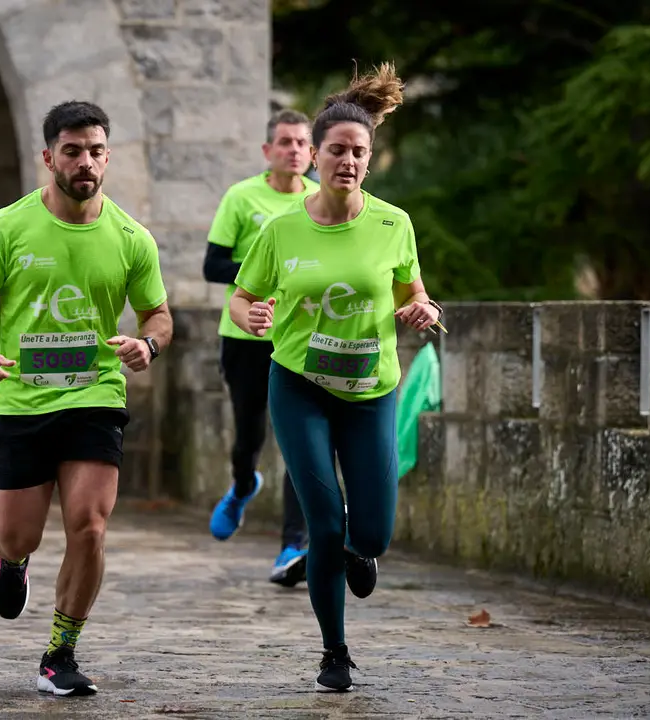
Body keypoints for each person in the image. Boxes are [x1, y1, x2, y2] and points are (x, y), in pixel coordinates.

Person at [229, 62, 443, 693]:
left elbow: (415, 292)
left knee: (372, 531)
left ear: (368, 160)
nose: (348, 161)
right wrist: (253, 312)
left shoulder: (392, 223)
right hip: (300, 386)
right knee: (323, 523)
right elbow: (240, 300)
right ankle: (334, 652)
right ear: (313, 157)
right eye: (337, 151)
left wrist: (423, 310)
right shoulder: (281, 228)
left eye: (359, 152)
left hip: (372, 391)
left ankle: (360, 546)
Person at [0, 100, 171, 697]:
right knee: (19, 534)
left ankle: (61, 651)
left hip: (95, 393)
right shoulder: (8, 227)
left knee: (90, 525)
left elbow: (159, 315)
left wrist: (149, 346)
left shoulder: (130, 237)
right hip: (21, 399)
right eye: (72, 150)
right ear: (48, 157)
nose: (85, 161)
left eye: (96, 150)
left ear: (108, 156)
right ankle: (12, 561)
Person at [203, 109, 318, 587]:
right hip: (245, 338)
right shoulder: (241, 197)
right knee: (249, 436)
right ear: (268, 151)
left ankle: (294, 545)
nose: (294, 150)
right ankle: (245, 483)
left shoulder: (321, 200)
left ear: (312, 153)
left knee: (301, 444)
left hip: (302, 339)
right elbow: (212, 266)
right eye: (284, 142)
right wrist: (264, 273)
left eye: (301, 143)